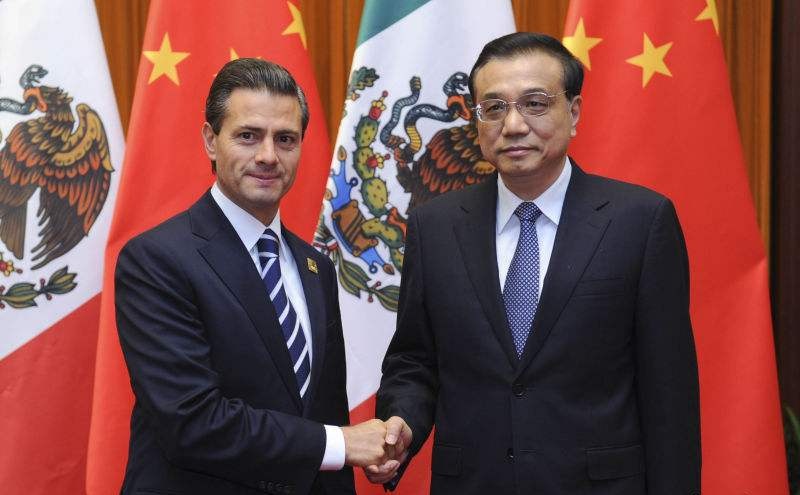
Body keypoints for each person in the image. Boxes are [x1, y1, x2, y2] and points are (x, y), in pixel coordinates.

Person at [371, 32, 701, 494]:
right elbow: (414, 359)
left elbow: (669, 393)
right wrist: (401, 421)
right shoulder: (435, 226)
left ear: (574, 112)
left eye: (535, 104)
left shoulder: (640, 222)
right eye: (494, 108)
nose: (513, 125)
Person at [115, 58, 400, 495]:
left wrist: (352, 450)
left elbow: (322, 413)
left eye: (285, 139)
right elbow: (192, 423)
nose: (268, 156)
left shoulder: (316, 268)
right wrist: (342, 444)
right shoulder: (156, 260)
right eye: (248, 136)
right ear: (211, 141)